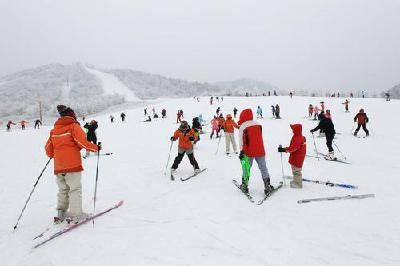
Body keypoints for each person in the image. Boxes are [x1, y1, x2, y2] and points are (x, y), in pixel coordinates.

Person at [45, 105, 100, 223]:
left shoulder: (54, 130)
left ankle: (61, 213)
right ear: (72, 115)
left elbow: (48, 149)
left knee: (63, 189)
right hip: (72, 165)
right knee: (74, 189)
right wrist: (97, 148)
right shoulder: (74, 127)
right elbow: (83, 143)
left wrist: (54, 155)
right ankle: (76, 214)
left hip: (59, 166)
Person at [238, 109, 273, 194]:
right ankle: (267, 185)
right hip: (260, 150)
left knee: (246, 168)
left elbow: (241, 141)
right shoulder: (258, 124)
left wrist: (241, 152)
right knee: (263, 167)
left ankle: (244, 186)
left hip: (248, 151)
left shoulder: (243, 126)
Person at [278, 124, 306, 188]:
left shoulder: (298, 138)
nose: (292, 131)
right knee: (295, 170)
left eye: (293, 130)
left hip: (297, 157)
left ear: (296, 130)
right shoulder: (299, 136)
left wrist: (283, 149)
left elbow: (292, 148)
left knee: (296, 171)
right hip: (297, 156)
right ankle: (296, 181)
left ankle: (298, 184)